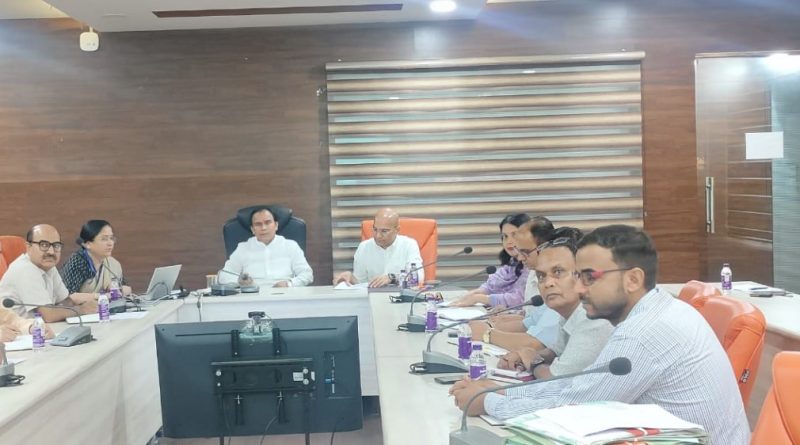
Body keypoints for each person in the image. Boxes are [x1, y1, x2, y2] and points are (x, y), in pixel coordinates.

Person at [450, 225, 750, 445]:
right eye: (578, 276)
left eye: (589, 277)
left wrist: (489, 402)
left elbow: (579, 404)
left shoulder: (644, 332)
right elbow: (580, 387)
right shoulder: (657, 311)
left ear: (633, 279)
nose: (580, 288)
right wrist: (504, 392)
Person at [497, 228, 614, 379]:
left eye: (558, 272)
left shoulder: (594, 319)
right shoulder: (569, 311)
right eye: (541, 276)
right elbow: (556, 352)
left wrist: (533, 362)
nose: (548, 283)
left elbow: (555, 378)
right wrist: (525, 354)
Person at [468, 216, 561, 352]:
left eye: (525, 252)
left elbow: (537, 344)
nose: (520, 257)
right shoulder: (533, 272)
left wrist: (487, 333)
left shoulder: (558, 287)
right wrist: (495, 322)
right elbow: (530, 320)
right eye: (505, 236)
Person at [0, 224, 98, 322]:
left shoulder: (48, 266)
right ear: (28, 247)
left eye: (56, 245)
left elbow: (65, 302)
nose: (51, 252)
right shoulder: (25, 269)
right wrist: (82, 309)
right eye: (44, 245)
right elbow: (48, 316)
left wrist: (86, 301)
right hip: (16, 329)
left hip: (41, 328)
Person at [219, 207, 313, 288]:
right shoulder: (243, 248)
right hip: (253, 296)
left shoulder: (291, 246)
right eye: (258, 224)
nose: (263, 228)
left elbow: (307, 274)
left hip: (285, 295)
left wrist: (289, 284)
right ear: (252, 229)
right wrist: (239, 282)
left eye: (268, 222)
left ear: (276, 225)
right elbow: (224, 276)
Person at [450, 214, 531, 308]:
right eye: (505, 236)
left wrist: (478, 298)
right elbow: (490, 287)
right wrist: (470, 295)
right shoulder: (512, 263)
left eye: (514, 235)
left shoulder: (532, 266)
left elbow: (519, 299)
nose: (509, 241)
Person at [334, 208, 424, 288]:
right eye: (375, 229)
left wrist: (392, 278)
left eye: (384, 231)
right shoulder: (364, 247)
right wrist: (351, 278)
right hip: (372, 298)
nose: (378, 236)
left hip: (401, 298)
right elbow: (360, 284)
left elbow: (418, 278)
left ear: (397, 230)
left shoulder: (409, 245)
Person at [60, 220, 132, 296]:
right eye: (104, 239)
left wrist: (121, 289)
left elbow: (126, 288)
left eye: (111, 238)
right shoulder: (77, 262)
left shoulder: (113, 264)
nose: (110, 243)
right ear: (88, 244)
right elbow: (66, 297)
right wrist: (103, 296)